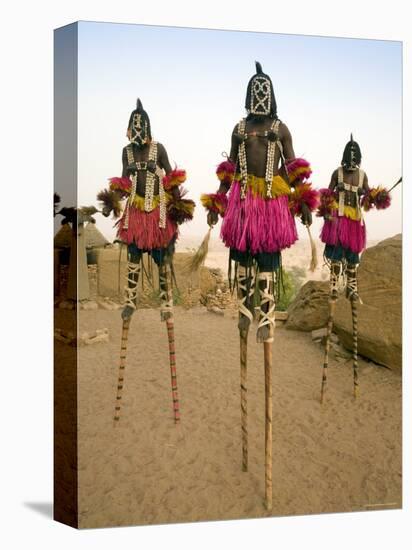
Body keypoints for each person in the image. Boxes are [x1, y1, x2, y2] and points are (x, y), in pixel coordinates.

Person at [200, 62, 318, 510]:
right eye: (255, 90)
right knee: (244, 281)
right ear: (249, 93)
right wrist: (216, 203)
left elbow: (296, 171)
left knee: (265, 280)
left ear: (271, 95)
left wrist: (304, 204)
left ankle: (266, 323)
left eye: (264, 91)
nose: (259, 98)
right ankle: (247, 320)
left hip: (270, 214)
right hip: (242, 213)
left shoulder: (281, 130)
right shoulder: (238, 128)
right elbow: (229, 169)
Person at [98, 98, 195, 424]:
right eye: (133, 126)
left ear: (148, 127)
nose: (138, 131)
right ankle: (130, 299)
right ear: (129, 128)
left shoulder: (159, 150)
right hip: (137, 214)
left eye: (142, 125)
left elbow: (170, 179)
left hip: (159, 213)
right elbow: (125, 184)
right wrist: (113, 199)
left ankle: (166, 301)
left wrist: (178, 202)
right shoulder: (127, 154)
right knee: (134, 256)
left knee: (163, 260)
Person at [317, 134, 391, 401]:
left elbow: (368, 199)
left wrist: (374, 196)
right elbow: (325, 195)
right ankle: (335, 283)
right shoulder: (336, 173)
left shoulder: (362, 176)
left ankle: (351, 285)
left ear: (357, 160)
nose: (349, 165)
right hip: (337, 222)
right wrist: (325, 209)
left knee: (352, 259)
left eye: (353, 161)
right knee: (336, 257)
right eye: (347, 160)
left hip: (354, 223)